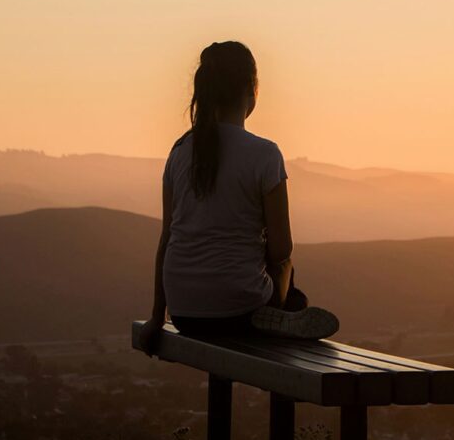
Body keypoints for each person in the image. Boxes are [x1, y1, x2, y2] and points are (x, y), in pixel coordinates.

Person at [136, 40, 339, 356]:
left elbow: (167, 240)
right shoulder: (264, 155)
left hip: (185, 313)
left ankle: (277, 313)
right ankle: (283, 314)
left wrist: (155, 318)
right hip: (240, 311)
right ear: (251, 90)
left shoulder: (179, 152)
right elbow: (282, 249)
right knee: (290, 279)